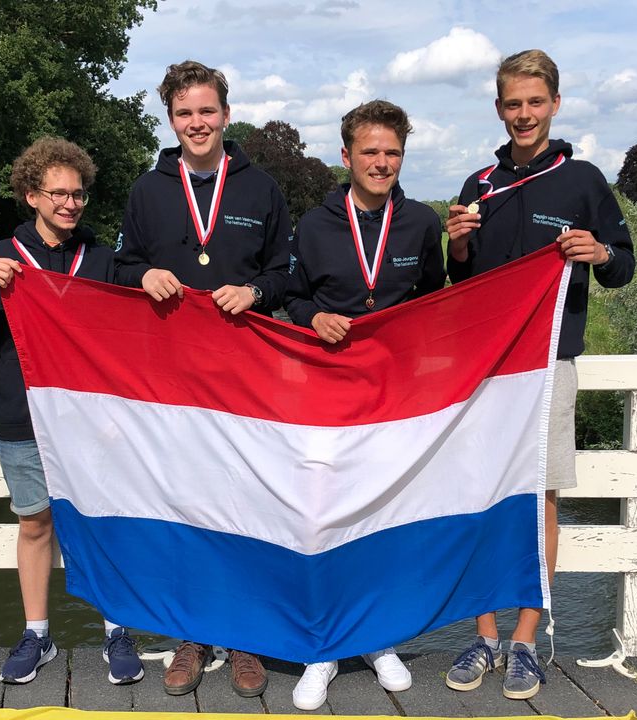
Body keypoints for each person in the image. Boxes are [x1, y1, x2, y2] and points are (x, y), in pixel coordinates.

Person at [442, 49, 635, 700]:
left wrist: (600, 251)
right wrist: (459, 246)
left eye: (534, 102)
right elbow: (459, 284)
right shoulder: (478, 185)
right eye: (512, 103)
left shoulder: (582, 179)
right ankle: (485, 635)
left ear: (555, 103)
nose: (523, 114)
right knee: (481, 498)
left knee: (541, 502)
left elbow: (623, 267)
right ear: (499, 109)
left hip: (550, 365)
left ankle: (526, 639)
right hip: (486, 370)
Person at [0, 137, 145, 687]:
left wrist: (147, 278)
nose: (70, 204)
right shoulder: (0, 256)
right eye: (58, 193)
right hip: (23, 418)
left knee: (103, 524)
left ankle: (117, 630)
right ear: (32, 195)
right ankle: (37, 634)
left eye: (78, 194)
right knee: (35, 524)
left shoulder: (100, 259)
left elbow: (140, 310)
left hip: (93, 421)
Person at [114, 60, 292, 698]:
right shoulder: (146, 190)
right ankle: (191, 634)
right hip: (173, 382)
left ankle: (244, 636)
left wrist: (256, 289)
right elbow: (118, 265)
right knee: (183, 506)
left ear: (226, 114)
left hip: (246, 376)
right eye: (185, 113)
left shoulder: (261, 188)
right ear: (171, 119)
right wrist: (140, 275)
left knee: (246, 506)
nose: (198, 123)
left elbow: (287, 274)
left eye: (207, 111)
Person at [282, 99, 444, 709]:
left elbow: (434, 303)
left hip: (395, 395)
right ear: (346, 156)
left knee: (384, 517)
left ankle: (377, 640)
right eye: (370, 152)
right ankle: (322, 647)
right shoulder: (315, 224)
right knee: (323, 518)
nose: (382, 163)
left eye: (392, 152)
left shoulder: (422, 223)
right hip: (324, 390)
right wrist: (313, 314)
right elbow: (292, 298)